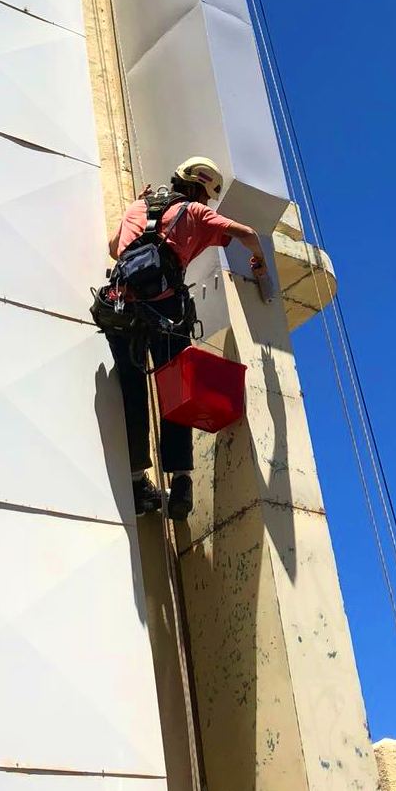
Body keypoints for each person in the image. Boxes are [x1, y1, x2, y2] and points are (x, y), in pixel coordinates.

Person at [105, 156, 267, 522]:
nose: (208, 203)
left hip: (122, 314)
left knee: (132, 392)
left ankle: (136, 482)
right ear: (198, 186)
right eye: (207, 195)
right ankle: (180, 482)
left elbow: (115, 249)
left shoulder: (136, 206)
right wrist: (259, 261)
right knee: (174, 393)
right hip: (165, 314)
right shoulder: (194, 212)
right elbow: (247, 235)